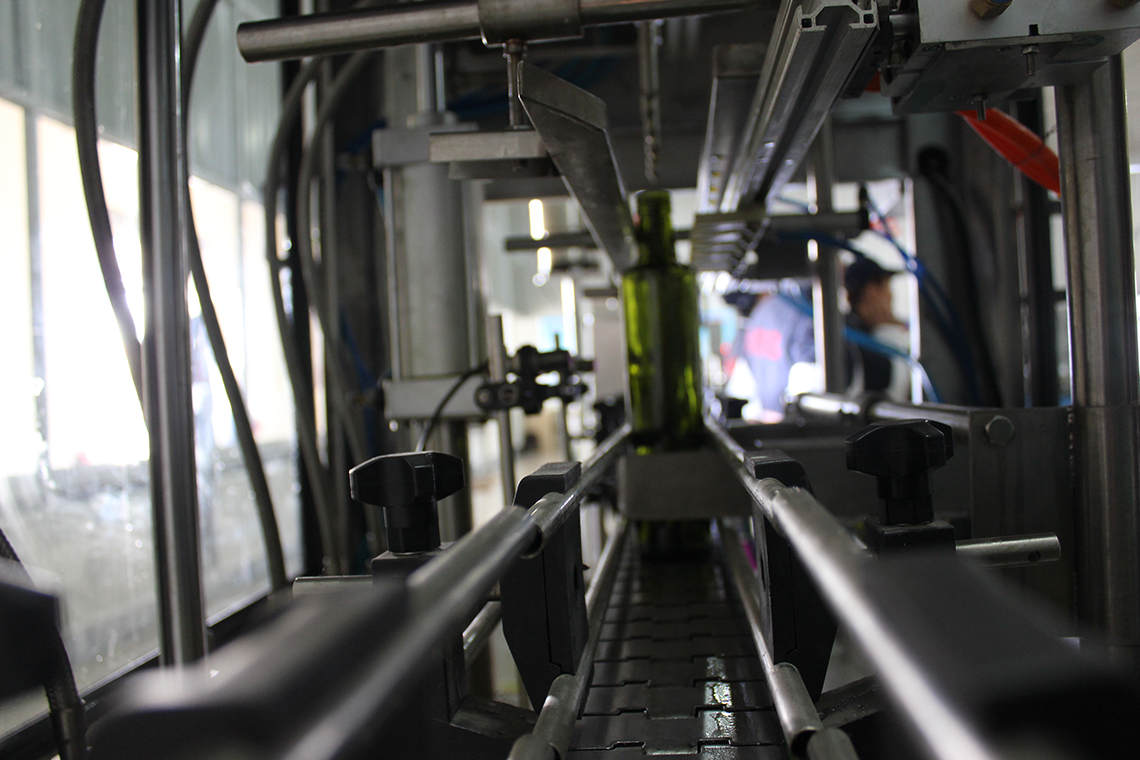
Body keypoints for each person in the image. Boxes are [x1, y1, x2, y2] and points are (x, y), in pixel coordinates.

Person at [733, 286, 816, 421]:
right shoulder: (797, 310)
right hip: (795, 416)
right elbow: (809, 366)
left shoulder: (756, 316)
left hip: (770, 414)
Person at [844, 257, 909, 399]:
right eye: (887, 288)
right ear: (872, 292)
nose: (891, 296)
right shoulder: (855, 342)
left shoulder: (853, 330)